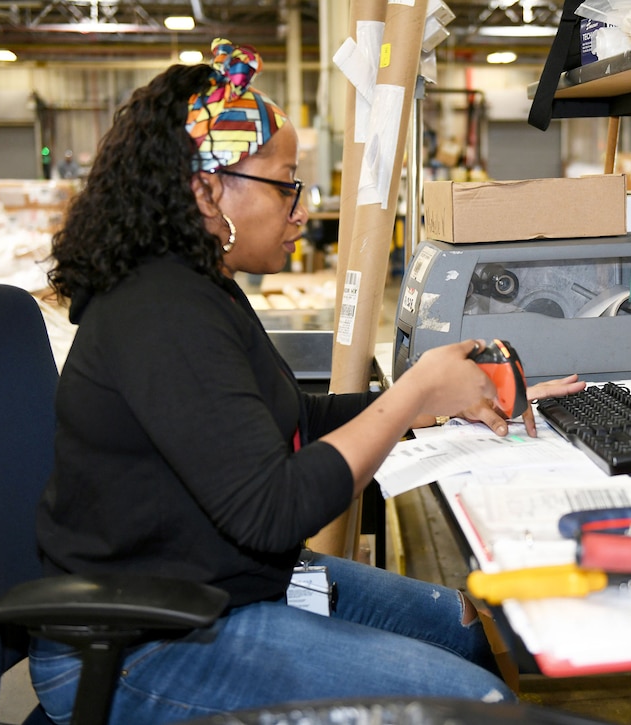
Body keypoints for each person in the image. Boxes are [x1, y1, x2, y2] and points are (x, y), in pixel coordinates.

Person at [31, 38, 584, 724]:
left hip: (220, 589)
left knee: (478, 634)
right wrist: (412, 394)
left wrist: (442, 405)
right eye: (287, 183)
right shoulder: (161, 313)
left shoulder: (203, 290)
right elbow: (272, 511)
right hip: (140, 644)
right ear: (207, 189)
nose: (301, 208)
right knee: (481, 703)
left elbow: (295, 417)